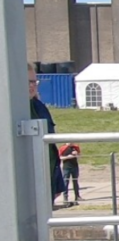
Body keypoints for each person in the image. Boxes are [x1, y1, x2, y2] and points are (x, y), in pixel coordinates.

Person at [28, 64, 66, 205]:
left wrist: (57, 182)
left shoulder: (39, 107)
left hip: (45, 181)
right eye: (28, 82)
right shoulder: (11, 110)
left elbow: (51, 148)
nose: (33, 86)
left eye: (35, 82)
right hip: (24, 183)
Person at [59, 142, 83, 206]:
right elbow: (60, 157)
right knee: (65, 182)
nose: (71, 143)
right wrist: (67, 157)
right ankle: (65, 197)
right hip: (66, 168)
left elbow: (80, 156)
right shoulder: (63, 148)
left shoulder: (76, 147)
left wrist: (76, 154)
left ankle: (77, 196)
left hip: (75, 166)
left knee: (75, 181)